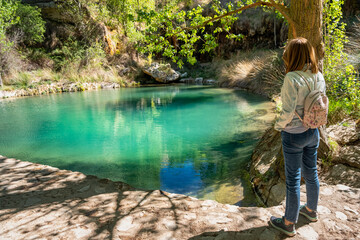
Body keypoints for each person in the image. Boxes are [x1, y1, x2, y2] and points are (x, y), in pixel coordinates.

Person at [269, 37, 326, 237]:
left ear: (291, 55)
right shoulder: (318, 75)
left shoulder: (292, 78)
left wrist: (279, 126)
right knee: (311, 173)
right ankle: (311, 211)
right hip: (313, 131)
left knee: (293, 179)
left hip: (293, 134)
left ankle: (288, 223)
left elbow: (288, 109)